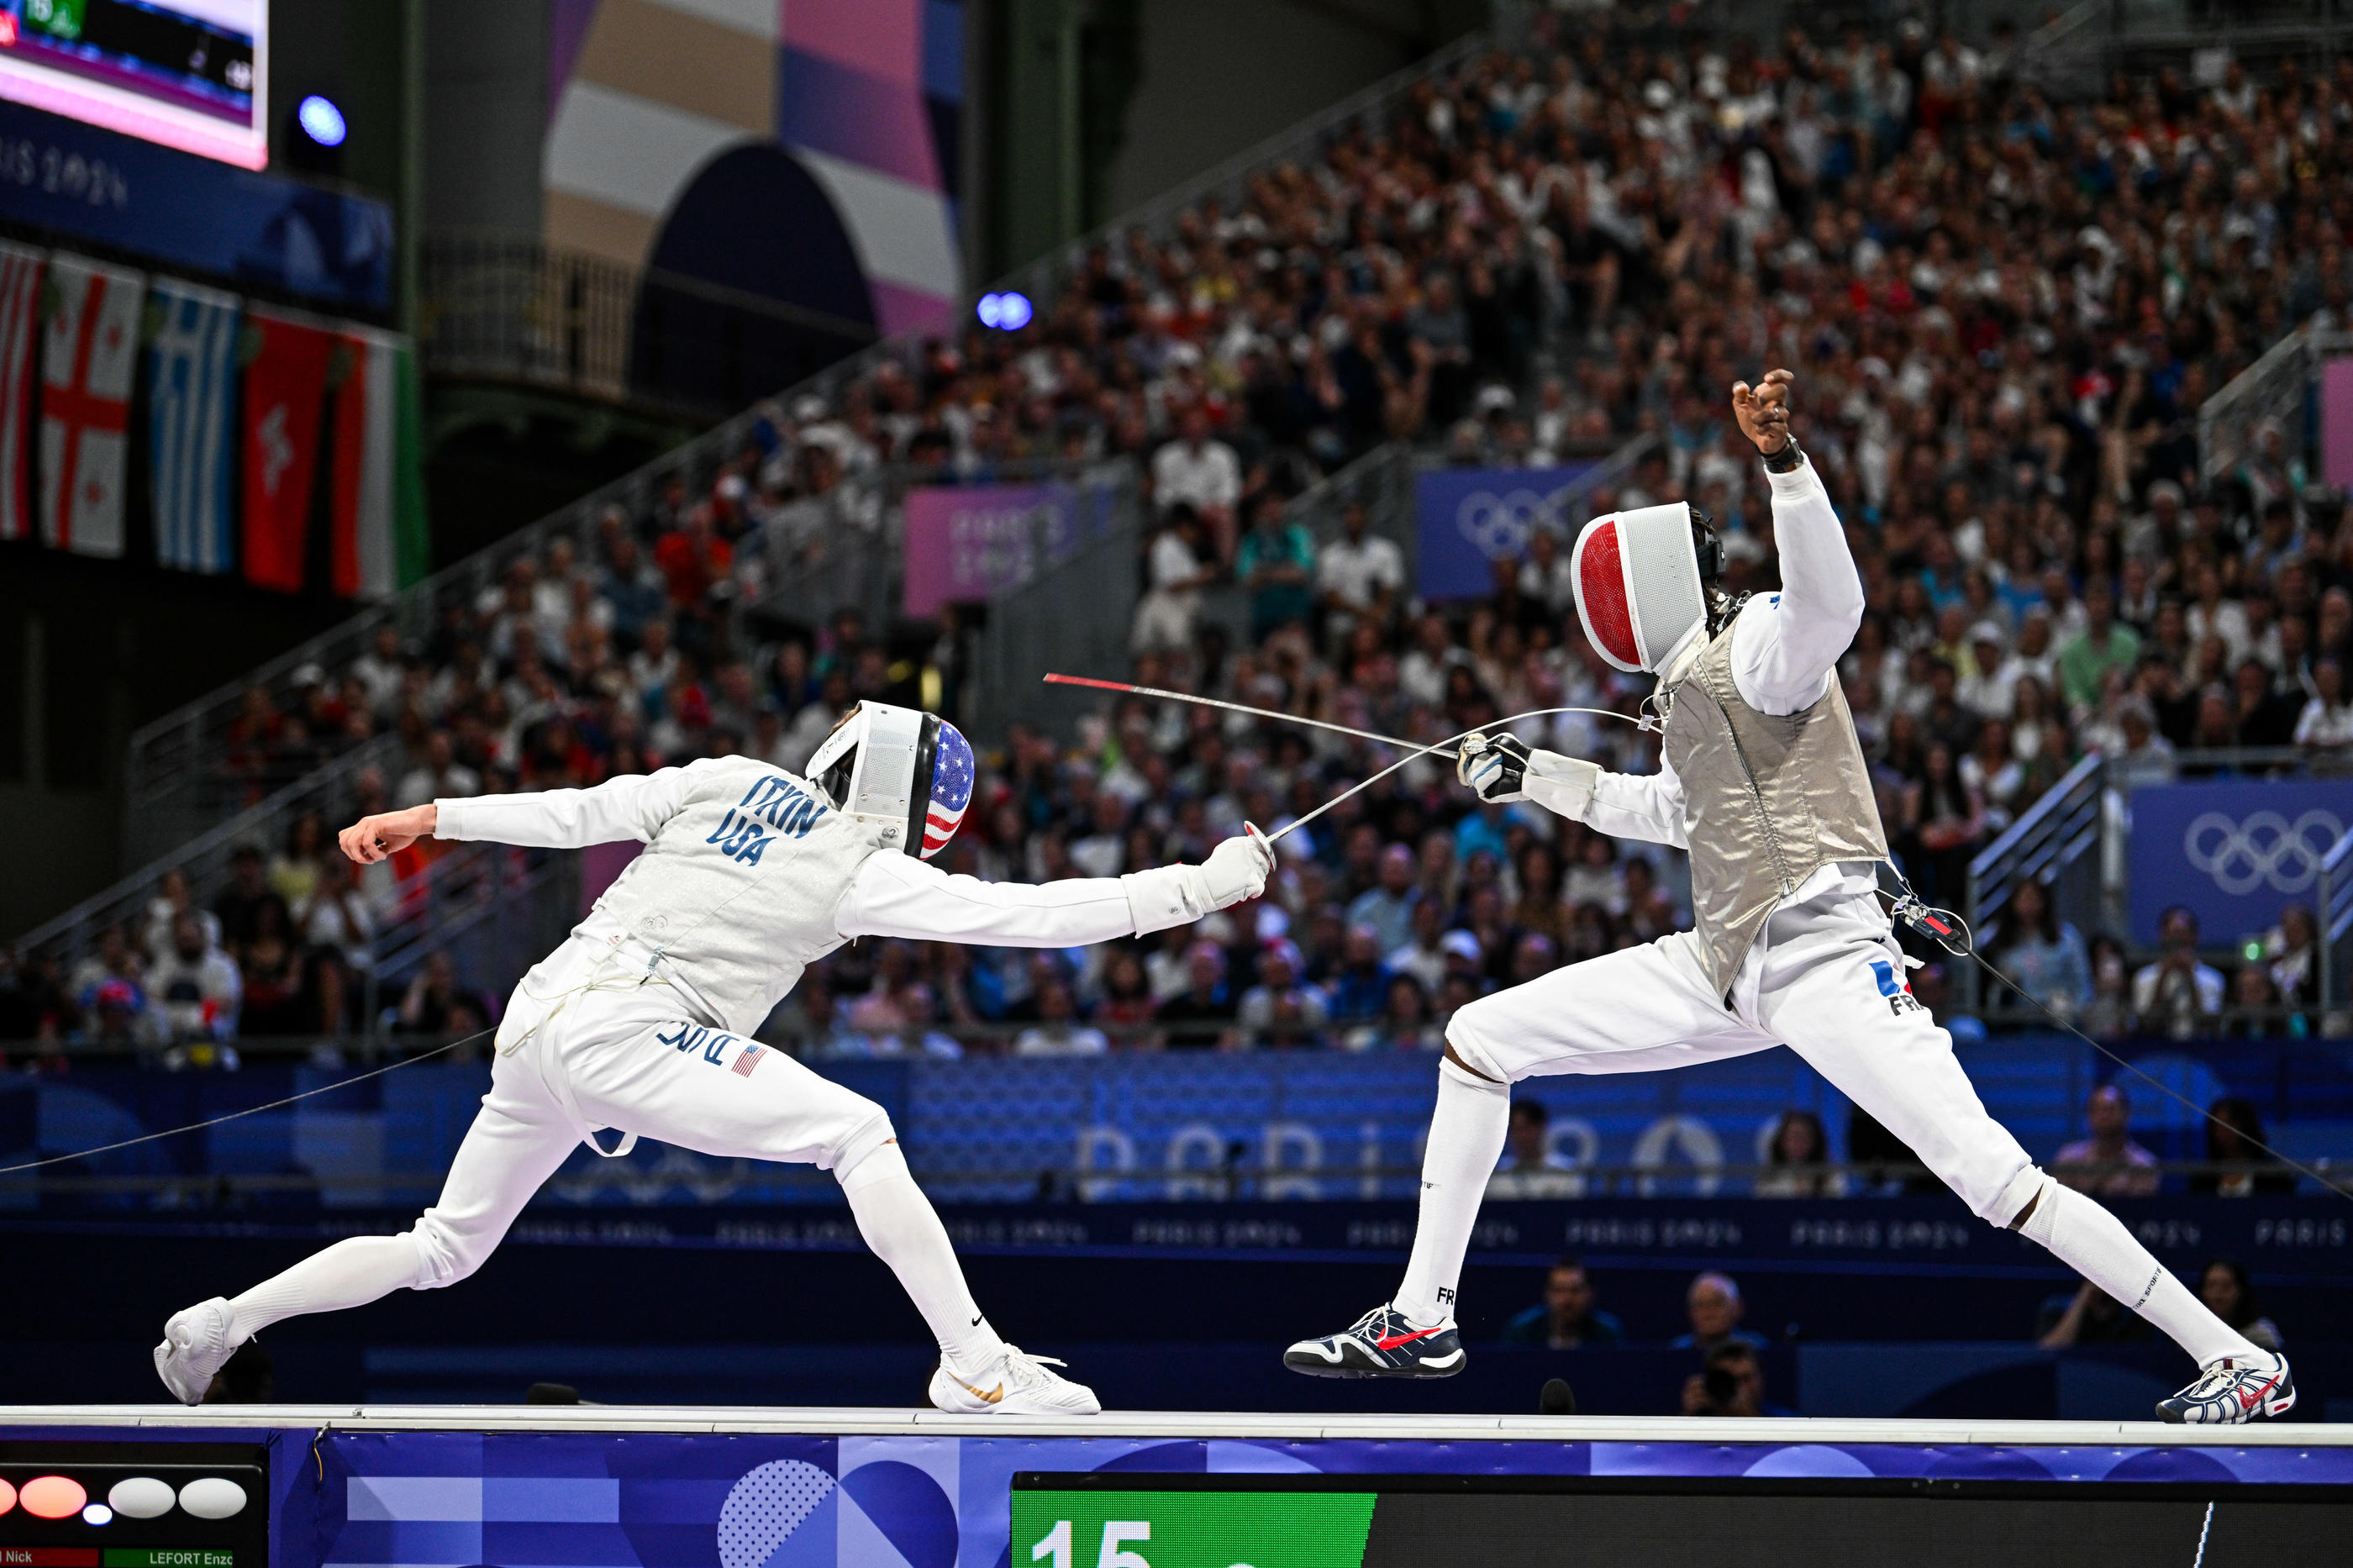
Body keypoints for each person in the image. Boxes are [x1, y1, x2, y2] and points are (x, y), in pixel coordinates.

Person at [1282, 371, 2292, 1424]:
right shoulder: (1689, 693)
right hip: (1719, 969)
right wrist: (1531, 774)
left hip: (1823, 962)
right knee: (1478, 1038)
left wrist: (1787, 470)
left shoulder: (1762, 649)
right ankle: (1421, 1316)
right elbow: (1674, 812)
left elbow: (1833, 605)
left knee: (1995, 1183)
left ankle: (2238, 1359)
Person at [154, 700, 1273, 1415]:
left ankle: (220, 1322)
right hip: (629, 1030)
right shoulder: (853, 866)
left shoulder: (726, 775)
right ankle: (978, 1364)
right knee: (860, 1130)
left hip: (541, 1020)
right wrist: (1208, 885)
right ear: (901, 796)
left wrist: (432, 811)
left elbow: (575, 811)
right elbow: (1038, 914)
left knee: (444, 1246)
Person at [1987, 876, 2092, 1023]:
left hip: (2063, 1019)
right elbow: (1996, 991)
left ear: (2045, 902)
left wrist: (2076, 1013)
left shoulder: (2067, 936)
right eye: (2022, 899)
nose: (2028, 906)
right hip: (2020, 1022)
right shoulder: (2004, 941)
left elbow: (2082, 980)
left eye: (2033, 899)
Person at [2130, 907, 2224, 1039]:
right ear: (2162, 936)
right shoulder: (2144, 977)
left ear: (2194, 937)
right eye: (2173, 934)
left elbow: (2208, 1027)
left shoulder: (2212, 979)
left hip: (2199, 1051)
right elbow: (2147, 1025)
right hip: (2156, 1051)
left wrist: (2190, 977)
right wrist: (2163, 976)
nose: (2178, 941)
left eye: (2183, 933)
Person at [2050, 1085, 2160, 1198]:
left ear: (2127, 1114)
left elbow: (2141, 1211)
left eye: (2110, 1109)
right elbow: (2060, 1204)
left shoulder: (2143, 1164)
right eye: (2097, 1110)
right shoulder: (2069, 1158)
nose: (2104, 1116)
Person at [1500, 1255, 1624, 1349]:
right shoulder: (1522, 1332)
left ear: (1591, 1294)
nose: (1567, 1299)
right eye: (1559, 1290)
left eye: (1575, 1290)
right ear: (1547, 1293)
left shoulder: (1607, 1334)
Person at [2189, 1097, 2296, 1197]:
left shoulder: (2272, 1174)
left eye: (2228, 1125)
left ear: (2245, 1126)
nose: (2222, 1133)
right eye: (2217, 1126)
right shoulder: (2204, 1176)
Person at [1487, 1099, 1581, 1198]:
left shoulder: (1566, 1173)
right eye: (1516, 1130)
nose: (1521, 1136)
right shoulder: (1497, 1176)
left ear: (1542, 1128)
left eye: (1527, 1129)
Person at [1671, 1271, 1767, 1355]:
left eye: (1717, 1303)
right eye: (1700, 1305)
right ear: (1690, 1312)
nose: (1708, 1313)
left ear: (1737, 1308)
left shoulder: (1756, 1348)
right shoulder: (1676, 1350)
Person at [1754, 1108, 1845, 1197]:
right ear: (1781, 1141)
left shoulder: (1830, 1177)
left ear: (1816, 1141)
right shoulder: (1768, 1178)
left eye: (1805, 1137)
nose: (1799, 1143)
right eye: (1793, 1137)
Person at [2197, 1260, 2283, 1352]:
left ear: (2241, 1291)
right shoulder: (2190, 1332)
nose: (2218, 1294)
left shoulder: (2261, 1334)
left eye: (2226, 1286)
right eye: (2211, 1285)